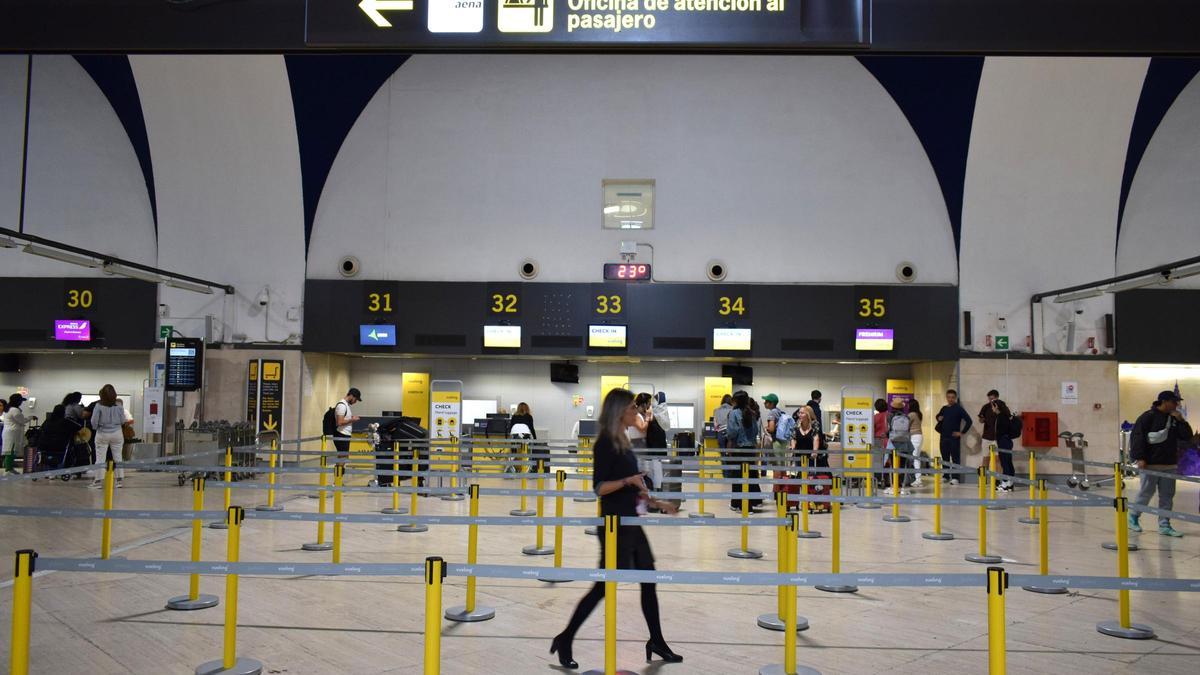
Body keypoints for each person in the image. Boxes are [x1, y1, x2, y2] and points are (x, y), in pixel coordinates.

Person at [551, 388, 681, 669]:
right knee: (602, 588)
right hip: (614, 526)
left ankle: (656, 640)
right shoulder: (606, 443)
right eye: (633, 407)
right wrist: (627, 482)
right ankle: (566, 637)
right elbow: (599, 488)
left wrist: (658, 503)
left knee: (649, 580)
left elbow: (632, 484)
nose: (637, 411)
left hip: (631, 522)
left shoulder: (623, 439)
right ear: (619, 411)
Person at [1129, 390, 1193, 537]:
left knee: (1167, 496)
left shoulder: (1175, 418)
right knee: (1146, 493)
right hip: (1150, 464)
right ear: (1164, 401)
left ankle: (1164, 525)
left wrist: (1182, 420)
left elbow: (1187, 437)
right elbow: (1137, 437)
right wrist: (1140, 458)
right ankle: (1133, 517)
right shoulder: (1148, 417)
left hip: (1169, 464)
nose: (1177, 404)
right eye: (1174, 401)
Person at [725, 391, 762, 511]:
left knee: (737, 477)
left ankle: (738, 504)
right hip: (750, 449)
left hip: (738, 449)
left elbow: (732, 432)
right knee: (749, 478)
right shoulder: (752, 413)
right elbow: (756, 431)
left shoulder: (734, 413)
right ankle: (747, 506)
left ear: (735, 401)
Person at [89, 385, 126, 488]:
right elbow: (123, 420)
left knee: (100, 458)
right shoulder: (119, 406)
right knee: (118, 457)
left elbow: (94, 421)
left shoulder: (98, 406)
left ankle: (98, 482)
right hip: (117, 433)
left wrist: (95, 428)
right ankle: (119, 481)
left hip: (102, 433)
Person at [935, 389, 972, 485]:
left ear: (955, 398)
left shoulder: (958, 408)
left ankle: (956, 477)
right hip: (943, 437)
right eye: (948, 397)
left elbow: (969, 421)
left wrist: (961, 432)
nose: (950, 399)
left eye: (952, 397)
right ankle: (946, 476)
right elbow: (938, 416)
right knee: (945, 457)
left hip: (953, 438)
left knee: (955, 458)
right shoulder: (944, 408)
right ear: (946, 397)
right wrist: (938, 417)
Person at [884, 398, 913, 495]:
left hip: (893, 444)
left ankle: (894, 486)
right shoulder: (907, 417)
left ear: (892, 406)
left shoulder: (889, 416)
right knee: (902, 465)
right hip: (905, 444)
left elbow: (887, 430)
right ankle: (901, 486)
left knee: (893, 465)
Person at [989, 399, 1018, 491]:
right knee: (1008, 462)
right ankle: (1010, 483)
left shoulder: (1001, 417)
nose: (992, 408)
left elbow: (1000, 432)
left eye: (993, 406)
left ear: (996, 406)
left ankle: (1005, 484)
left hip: (1003, 441)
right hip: (1007, 441)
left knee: (1005, 463)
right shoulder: (1004, 416)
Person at [2, 394, 29, 474]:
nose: (21, 402)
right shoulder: (15, 410)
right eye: (21, 401)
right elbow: (22, 420)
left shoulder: (9, 409)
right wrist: (30, 417)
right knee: (10, 451)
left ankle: (9, 468)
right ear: (17, 401)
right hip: (12, 434)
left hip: (9, 432)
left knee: (10, 451)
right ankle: (8, 470)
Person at [333, 388, 362, 459]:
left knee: (343, 456)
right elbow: (339, 422)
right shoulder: (342, 405)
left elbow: (344, 418)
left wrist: (351, 418)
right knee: (343, 457)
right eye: (355, 399)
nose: (355, 402)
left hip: (344, 434)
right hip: (341, 434)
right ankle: (339, 470)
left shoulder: (346, 405)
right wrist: (352, 420)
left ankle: (340, 470)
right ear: (351, 396)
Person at [761, 394, 786, 465]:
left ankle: (777, 477)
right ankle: (783, 476)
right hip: (781, 441)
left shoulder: (772, 412)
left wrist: (767, 428)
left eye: (766, 401)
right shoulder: (778, 411)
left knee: (776, 465)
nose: (764, 403)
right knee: (781, 463)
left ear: (771, 403)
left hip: (775, 441)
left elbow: (771, 429)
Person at [872, 399, 889, 488]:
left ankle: (878, 480)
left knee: (877, 461)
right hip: (888, 440)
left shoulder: (875, 417)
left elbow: (872, 429)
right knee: (887, 461)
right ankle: (888, 480)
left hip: (877, 440)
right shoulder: (890, 415)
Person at [909, 399, 925, 488]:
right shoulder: (919, 414)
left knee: (915, 458)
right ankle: (917, 479)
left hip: (914, 437)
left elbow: (906, 425)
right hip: (919, 436)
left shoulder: (911, 415)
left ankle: (918, 480)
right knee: (916, 458)